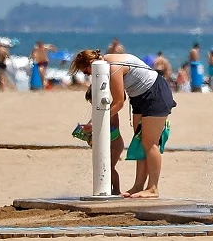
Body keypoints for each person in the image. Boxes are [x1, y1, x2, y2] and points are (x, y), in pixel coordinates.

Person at [69, 49, 176, 198]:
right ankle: (138, 186)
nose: (88, 76)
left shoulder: (113, 67)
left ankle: (153, 188)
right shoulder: (106, 64)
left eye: (87, 72)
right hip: (138, 97)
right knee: (140, 143)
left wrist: (97, 121)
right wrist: (94, 121)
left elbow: (119, 102)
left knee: (150, 143)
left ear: (92, 63)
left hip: (155, 93)